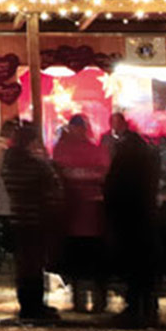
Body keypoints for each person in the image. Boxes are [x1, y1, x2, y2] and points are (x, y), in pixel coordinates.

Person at [103, 119, 163, 327]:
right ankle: (149, 308)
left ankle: (135, 309)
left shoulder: (123, 161)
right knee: (146, 266)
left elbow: (111, 188)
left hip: (127, 219)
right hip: (147, 218)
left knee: (133, 266)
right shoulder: (151, 158)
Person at [3, 122, 63, 323]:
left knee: (23, 263)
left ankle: (26, 304)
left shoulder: (8, 163)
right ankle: (35, 306)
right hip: (36, 218)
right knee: (35, 264)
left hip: (18, 217)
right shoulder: (36, 165)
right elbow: (52, 186)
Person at [54, 114, 110, 313]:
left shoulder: (65, 151)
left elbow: (60, 173)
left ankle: (87, 300)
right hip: (87, 216)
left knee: (82, 262)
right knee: (91, 262)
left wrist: (73, 175)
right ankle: (94, 300)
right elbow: (104, 173)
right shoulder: (96, 151)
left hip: (80, 215)